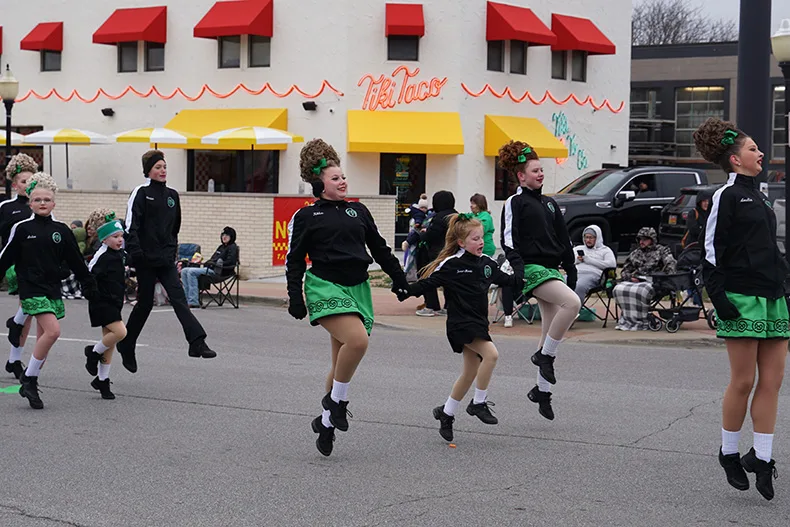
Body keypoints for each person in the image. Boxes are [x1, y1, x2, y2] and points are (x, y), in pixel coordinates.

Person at [285, 139, 410, 457]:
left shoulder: (359, 210)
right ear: (319, 184)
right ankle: (336, 403)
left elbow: (380, 249)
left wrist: (400, 280)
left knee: (340, 361)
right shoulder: (307, 217)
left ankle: (325, 424)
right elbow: (295, 260)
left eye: (343, 177)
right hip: (325, 286)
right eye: (335, 178)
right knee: (358, 342)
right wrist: (294, 297)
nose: (343, 182)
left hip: (358, 288)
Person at [695, 118, 788, 501]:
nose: (760, 153)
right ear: (735, 159)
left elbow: (769, 246)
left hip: (773, 297)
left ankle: (762, 459)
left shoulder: (762, 195)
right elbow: (710, 253)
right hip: (741, 297)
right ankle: (729, 452)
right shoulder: (726, 196)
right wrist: (720, 301)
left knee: (773, 382)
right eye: (753, 149)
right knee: (744, 382)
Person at [397, 214, 520, 442]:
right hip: (460, 324)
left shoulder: (486, 263)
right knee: (491, 355)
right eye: (475, 238)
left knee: (470, 372)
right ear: (461, 242)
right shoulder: (452, 264)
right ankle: (478, 403)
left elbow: (508, 281)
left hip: (479, 322)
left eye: (481, 237)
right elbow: (428, 283)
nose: (480, 242)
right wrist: (405, 290)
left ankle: (446, 412)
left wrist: (521, 268)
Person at [0, 173, 97, 409]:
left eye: (47, 200)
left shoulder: (62, 230)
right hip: (30, 288)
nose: (42, 203)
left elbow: (75, 261)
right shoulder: (21, 228)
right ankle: (29, 380)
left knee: (45, 337)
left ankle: (29, 375)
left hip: (52, 289)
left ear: (53, 203)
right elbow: (5, 258)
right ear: (30, 203)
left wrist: (89, 283)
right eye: (37, 200)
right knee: (53, 331)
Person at [499, 141, 580, 421]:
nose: (541, 174)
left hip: (551, 269)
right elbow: (508, 239)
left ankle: (542, 391)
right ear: (521, 176)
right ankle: (545, 357)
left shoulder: (550, 203)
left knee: (548, 330)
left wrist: (570, 267)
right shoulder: (515, 201)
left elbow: (563, 238)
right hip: (531, 268)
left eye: (542, 169)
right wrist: (519, 269)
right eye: (535, 170)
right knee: (572, 303)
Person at [116, 150, 216, 373]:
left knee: (179, 299)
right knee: (145, 304)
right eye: (158, 167)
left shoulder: (172, 195)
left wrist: (172, 252)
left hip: (166, 259)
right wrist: (137, 254)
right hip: (145, 259)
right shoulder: (140, 193)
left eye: (164, 167)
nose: (163, 171)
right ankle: (127, 343)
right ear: (148, 170)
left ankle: (196, 342)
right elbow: (131, 226)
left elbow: (174, 227)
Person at [84, 212, 128, 400]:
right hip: (101, 302)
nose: (120, 240)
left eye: (121, 237)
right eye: (115, 237)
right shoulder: (100, 257)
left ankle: (102, 380)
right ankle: (92, 353)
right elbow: (89, 279)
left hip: (115, 301)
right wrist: (94, 296)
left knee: (109, 342)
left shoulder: (119, 254)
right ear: (104, 240)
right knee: (120, 333)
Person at [1, 153, 35, 379]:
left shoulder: (39, 203)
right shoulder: (6, 206)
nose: (29, 186)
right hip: (15, 264)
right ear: (15, 184)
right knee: (32, 304)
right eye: (24, 181)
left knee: (30, 311)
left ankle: (14, 359)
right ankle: (16, 324)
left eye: (32, 181)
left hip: (36, 263)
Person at [613, 227, 676, 331]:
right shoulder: (635, 253)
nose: (642, 242)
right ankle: (628, 320)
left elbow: (671, 266)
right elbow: (625, 270)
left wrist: (663, 278)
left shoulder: (662, 251)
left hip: (655, 281)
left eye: (645, 239)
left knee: (641, 291)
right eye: (640, 239)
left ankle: (643, 321)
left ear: (652, 240)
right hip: (636, 280)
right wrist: (630, 277)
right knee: (618, 289)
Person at [414, 190, 456, 317]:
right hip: (453, 252)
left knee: (427, 278)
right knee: (450, 282)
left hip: (436, 254)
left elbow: (430, 235)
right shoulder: (456, 215)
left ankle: (432, 306)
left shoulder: (439, 217)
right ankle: (449, 306)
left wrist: (421, 233)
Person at [181, 226, 239, 308]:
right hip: (211, 269)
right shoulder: (221, 247)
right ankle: (186, 299)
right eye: (223, 235)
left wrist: (216, 264)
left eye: (227, 235)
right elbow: (213, 259)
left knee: (191, 272)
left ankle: (194, 301)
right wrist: (209, 262)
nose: (224, 237)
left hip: (220, 272)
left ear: (231, 237)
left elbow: (231, 262)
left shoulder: (232, 247)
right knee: (184, 271)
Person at [572, 225, 617, 304]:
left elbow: (611, 265)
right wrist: (577, 260)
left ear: (597, 238)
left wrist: (589, 260)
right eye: (586, 237)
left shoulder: (605, 250)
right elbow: (567, 262)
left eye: (591, 237)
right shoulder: (578, 248)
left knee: (579, 286)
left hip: (593, 276)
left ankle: (574, 311)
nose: (588, 240)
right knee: (559, 282)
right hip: (575, 273)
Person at [470, 193, 496, 257]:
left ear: (479, 205)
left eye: (473, 204)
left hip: (485, 249)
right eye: (471, 203)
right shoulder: (473, 215)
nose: (471, 206)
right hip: (476, 248)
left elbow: (480, 230)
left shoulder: (486, 216)